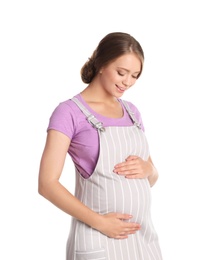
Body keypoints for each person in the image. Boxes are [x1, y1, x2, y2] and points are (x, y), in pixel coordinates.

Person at [38, 32, 163, 260]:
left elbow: (150, 178)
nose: (128, 82)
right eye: (121, 72)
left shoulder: (132, 112)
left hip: (142, 238)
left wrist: (150, 170)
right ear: (102, 64)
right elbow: (47, 184)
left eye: (135, 75)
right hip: (98, 237)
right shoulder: (69, 112)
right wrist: (101, 223)